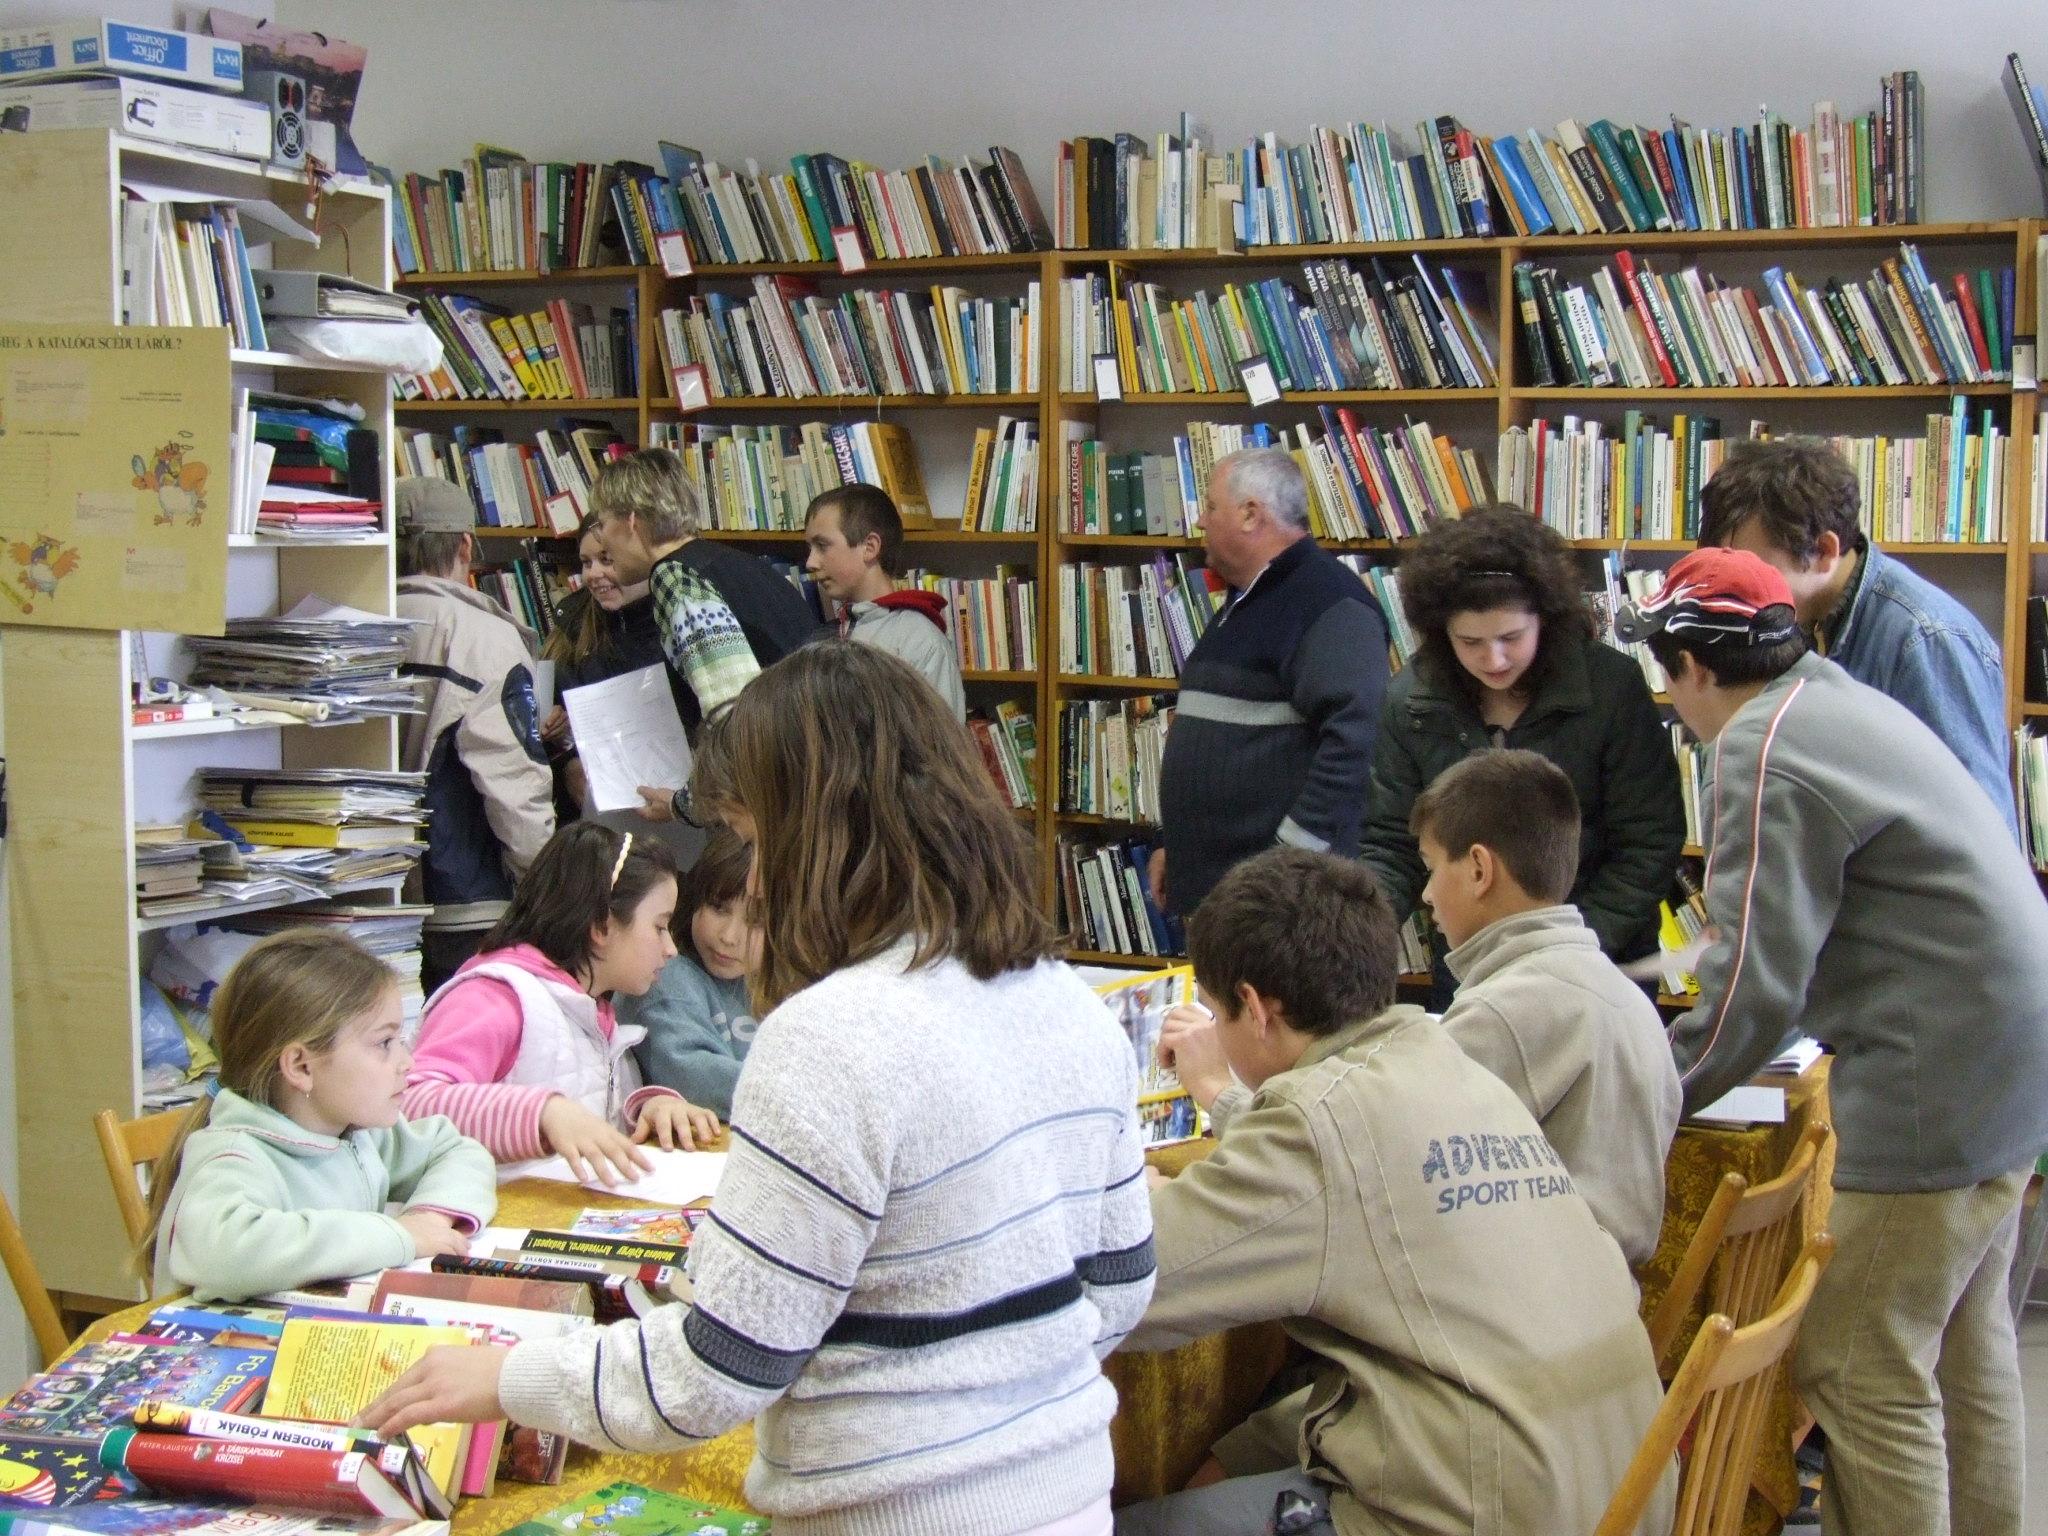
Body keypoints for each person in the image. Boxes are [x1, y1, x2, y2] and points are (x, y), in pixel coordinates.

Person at [364, 643, 1156, 1536]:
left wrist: (509, 1375)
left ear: (813, 835)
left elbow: (713, 1372)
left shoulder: (831, 1038)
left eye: (754, 839)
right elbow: (1121, 1286)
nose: (755, 881)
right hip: (1069, 1493)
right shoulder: (1064, 1002)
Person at [1617, 546, 2048, 1536]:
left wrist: (1652, 1089)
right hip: (2011, 1056)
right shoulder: (1832, 696)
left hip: (1937, 1078)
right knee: (1964, 1348)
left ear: (1692, 669)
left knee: (1856, 1367)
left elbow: (1753, 990)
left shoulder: (1758, 745)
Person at [1114, 848, 1670, 1536]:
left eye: (1217, 1011)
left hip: (1493, 1507)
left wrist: (1131, 1194)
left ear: (1255, 1009)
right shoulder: (1455, 1071)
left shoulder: (1318, 1118)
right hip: (1616, 1492)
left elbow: (1134, 1282)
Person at [1359, 505, 1683, 998]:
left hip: (1599, 958)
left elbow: (1649, 841)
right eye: (1470, 641)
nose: (1493, 659)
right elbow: (1391, 843)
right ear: (1442, 633)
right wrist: (1364, 933)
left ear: (1545, 620)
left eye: (1511, 637)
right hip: (1472, 961)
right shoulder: (1412, 700)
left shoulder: (1610, 688)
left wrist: (1564, 950)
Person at [1414, 749, 1680, 1267]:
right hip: (1604, 1289)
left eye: (1430, 868)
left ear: (1478, 869)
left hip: (1537, 1295)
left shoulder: (1505, 1009)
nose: (1425, 894)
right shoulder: (1622, 991)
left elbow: (1391, 1153)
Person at [143, 930, 497, 1303]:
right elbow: (221, 1253)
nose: (406, 1062)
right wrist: (397, 1236)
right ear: (301, 1066)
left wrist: (427, 1219)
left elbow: (457, 1151)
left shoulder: (352, 1132)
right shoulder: (234, 1157)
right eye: (384, 1043)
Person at [1697, 436, 2016, 836]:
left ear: (1823, 552)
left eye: (1750, 569)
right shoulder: (1797, 618)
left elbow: (1980, 832)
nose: (1733, 588)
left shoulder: (1926, 638)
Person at [400, 822, 722, 1186]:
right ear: (601, 927)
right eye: (660, 927)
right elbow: (409, 1108)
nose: (671, 949)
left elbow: (584, 1107)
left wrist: (646, 1108)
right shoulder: (495, 997)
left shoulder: (591, 1009)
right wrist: (543, 1113)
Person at [1150, 446, 1390, 920]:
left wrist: (1289, 864)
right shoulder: (1250, 598)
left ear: (1250, 514)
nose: (1200, 521)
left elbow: (1356, 742)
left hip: (1282, 909)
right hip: (1230, 898)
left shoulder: (1328, 604)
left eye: (1210, 506)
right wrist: (1176, 845)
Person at [586, 450, 819, 823]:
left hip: (783, 798)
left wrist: (685, 805)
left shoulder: (676, 578)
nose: (602, 543)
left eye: (601, 525)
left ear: (631, 522)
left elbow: (733, 717)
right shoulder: (737, 563)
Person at [395, 476, 556, 992]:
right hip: (466, 900)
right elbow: (513, 782)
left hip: (370, 890)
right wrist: (545, 889)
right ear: (465, 546)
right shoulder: (484, 638)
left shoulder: (355, 620)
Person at [617, 826, 761, 1118]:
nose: (729, 936)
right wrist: (800, 1097)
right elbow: (695, 1080)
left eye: (756, 921)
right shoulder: (664, 976)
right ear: (693, 900)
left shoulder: (790, 987)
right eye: (718, 908)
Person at [803, 482, 965, 720]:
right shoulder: (824, 636)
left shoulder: (920, 641)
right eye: (810, 548)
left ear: (869, 547)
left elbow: (942, 738)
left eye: (822, 546)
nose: (810, 562)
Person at [540, 514, 667, 815]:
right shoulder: (571, 627)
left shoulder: (671, 619)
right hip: (592, 803)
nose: (594, 574)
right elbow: (543, 735)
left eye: (607, 560)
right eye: (586, 563)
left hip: (668, 796)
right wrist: (560, 741)